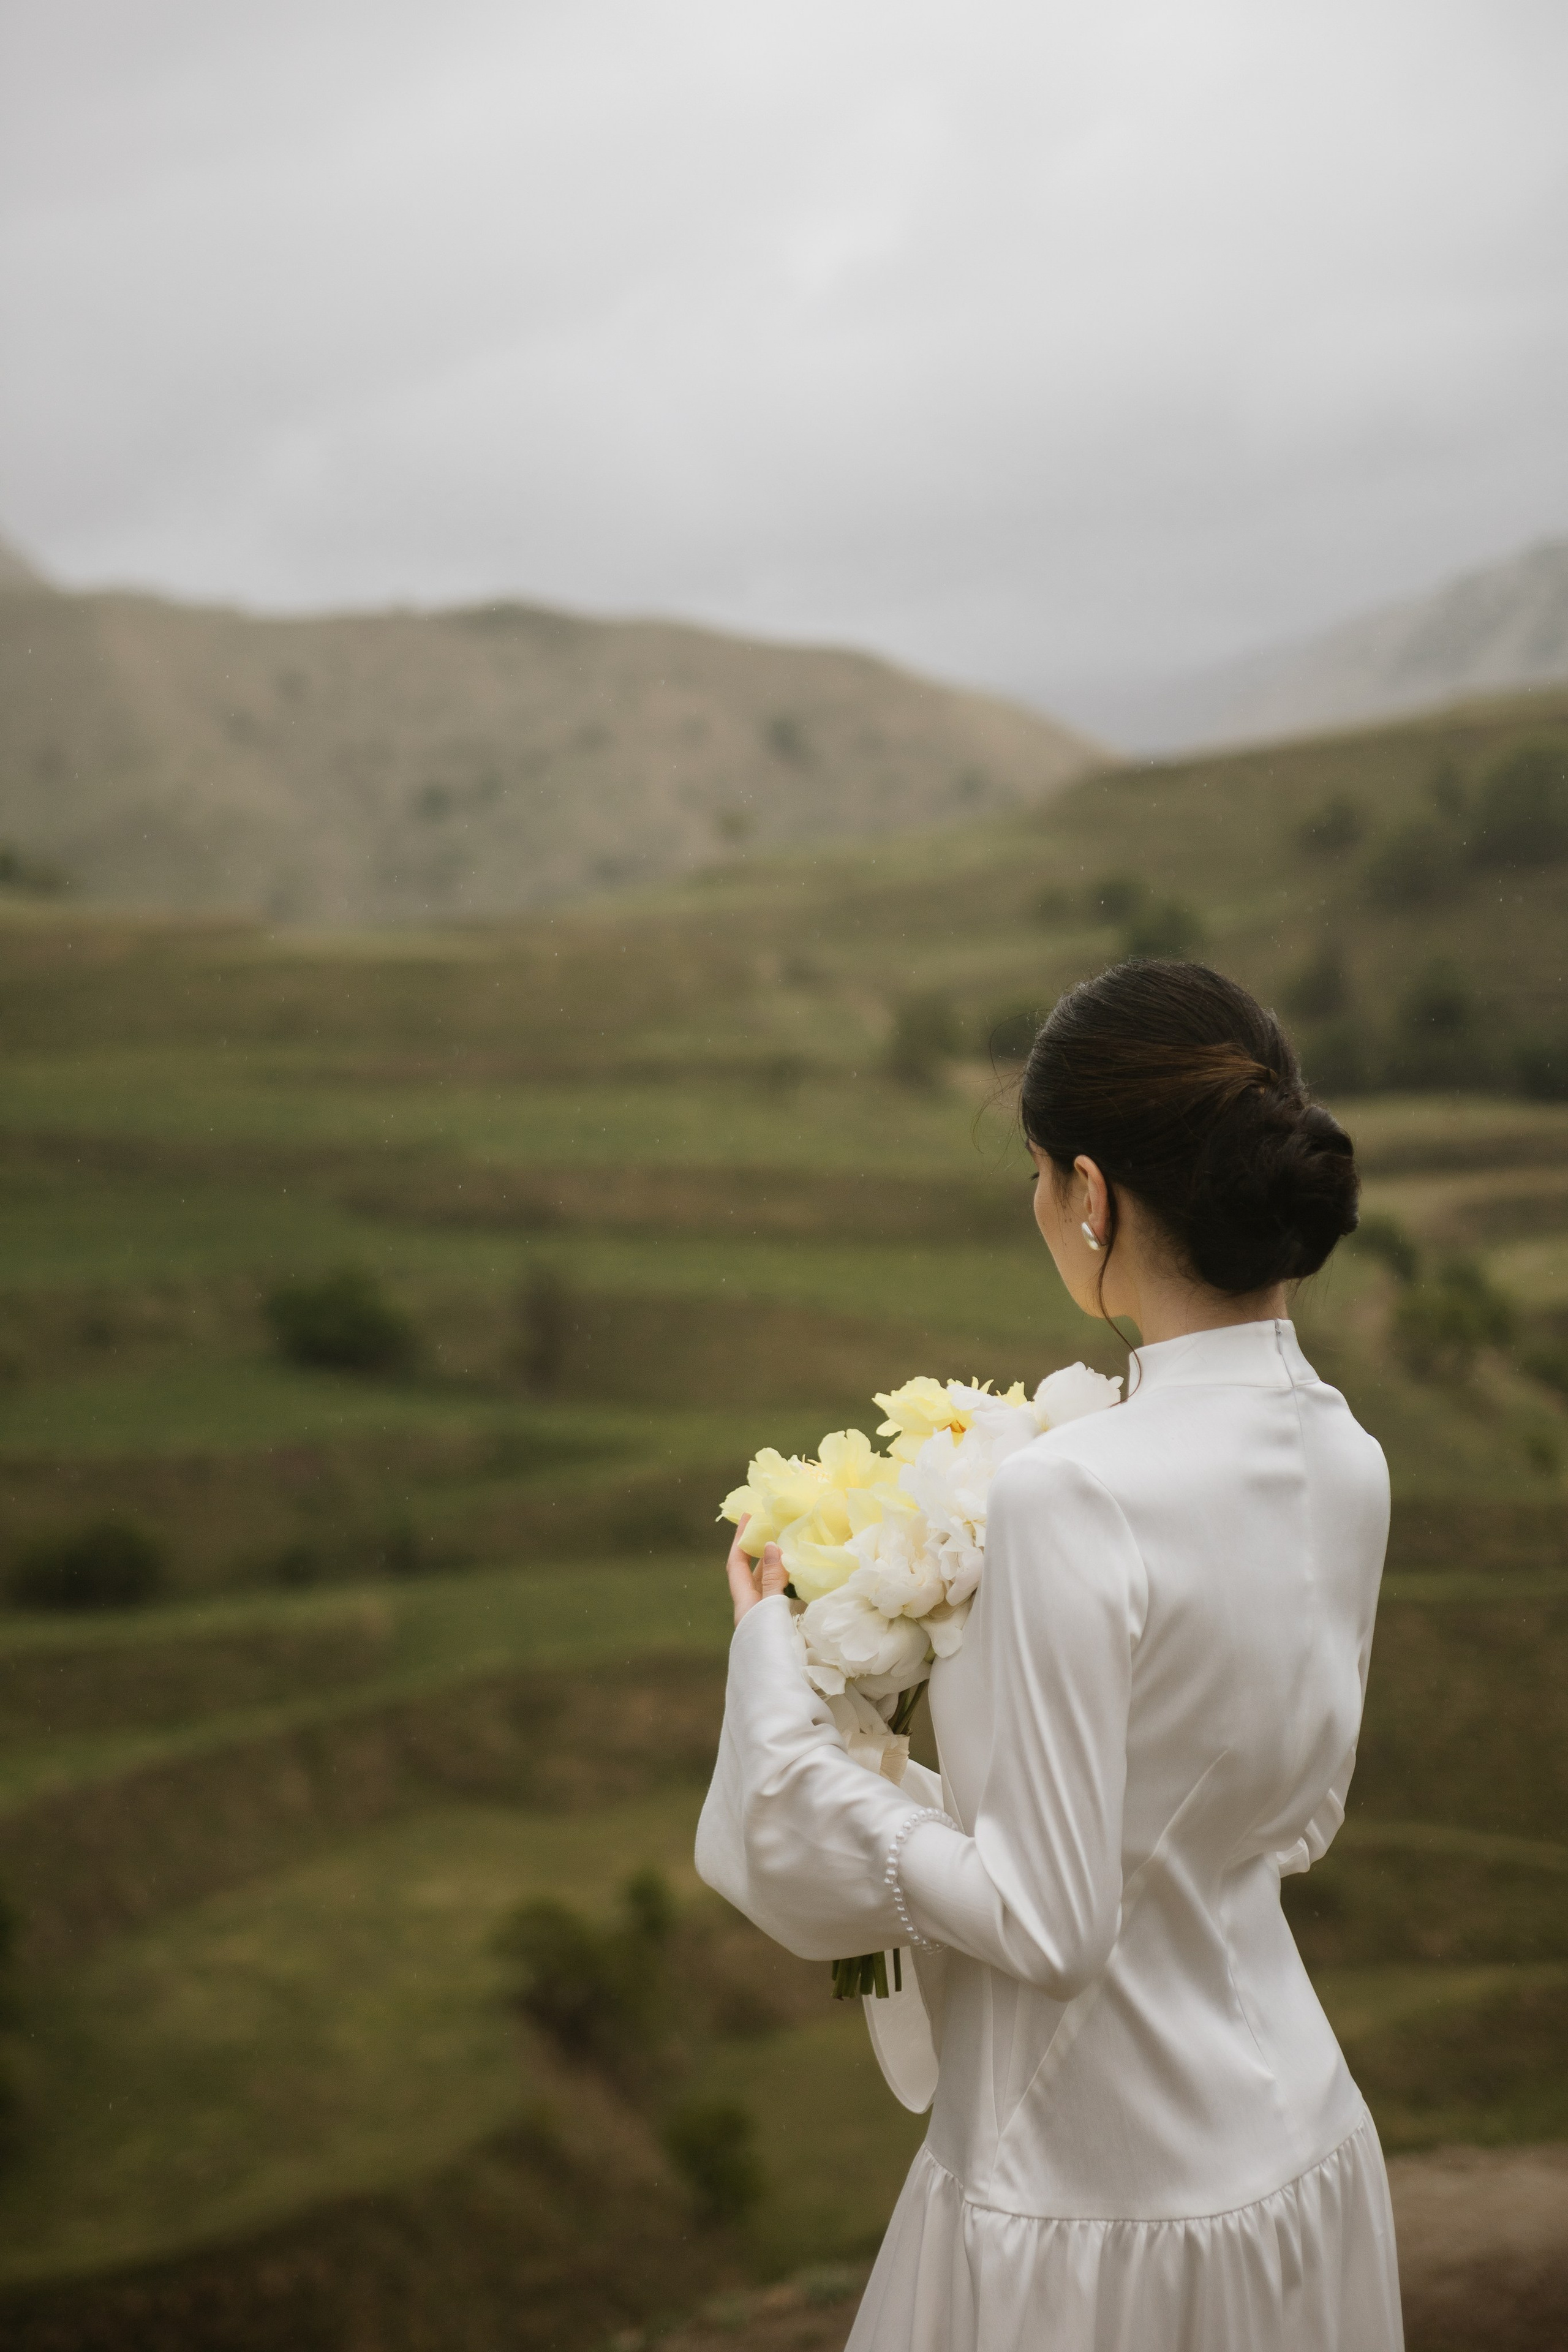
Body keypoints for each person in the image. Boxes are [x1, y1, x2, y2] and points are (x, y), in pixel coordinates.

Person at [696, 960, 1403, 2351]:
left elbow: (1050, 1922)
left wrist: (788, 1698)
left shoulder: (1069, 1493)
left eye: (1033, 1176)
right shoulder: (1348, 1455)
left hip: (1089, 2198)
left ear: (1089, 1192)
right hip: (1296, 2145)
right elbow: (1295, 1820)